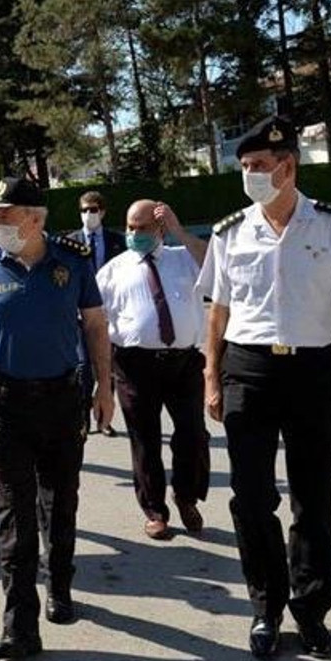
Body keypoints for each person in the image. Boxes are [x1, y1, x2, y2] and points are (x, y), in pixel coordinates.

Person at [197, 116, 331, 659]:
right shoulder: (230, 231)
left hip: (312, 373)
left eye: (259, 166)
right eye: (245, 168)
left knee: (313, 501)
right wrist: (212, 376)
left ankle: (311, 612)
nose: (250, 176)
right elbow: (219, 311)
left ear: (288, 167)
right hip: (248, 372)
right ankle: (265, 608)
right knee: (251, 499)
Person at [0, 177, 112, 660]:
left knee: (59, 505)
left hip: (63, 400)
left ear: (35, 218)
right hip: (3, 403)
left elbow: (96, 326)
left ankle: (59, 585)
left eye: (6, 214)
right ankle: (19, 627)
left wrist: (105, 387)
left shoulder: (73, 261)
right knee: (13, 520)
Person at [96, 200, 210, 540]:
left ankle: (186, 496)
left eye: (142, 227)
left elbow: (214, 263)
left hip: (184, 362)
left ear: (159, 228)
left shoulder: (183, 258)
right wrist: (101, 381)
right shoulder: (112, 271)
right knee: (144, 441)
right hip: (134, 365)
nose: (134, 234)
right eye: (130, 227)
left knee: (192, 434)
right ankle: (155, 510)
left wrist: (179, 230)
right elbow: (96, 326)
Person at [67, 191, 124, 438]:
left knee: (106, 367)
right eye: (84, 210)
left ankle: (104, 417)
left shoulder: (117, 241)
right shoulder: (70, 242)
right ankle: (81, 419)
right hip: (80, 316)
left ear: (102, 212)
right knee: (83, 368)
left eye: (93, 210)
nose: (88, 214)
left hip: (109, 314)